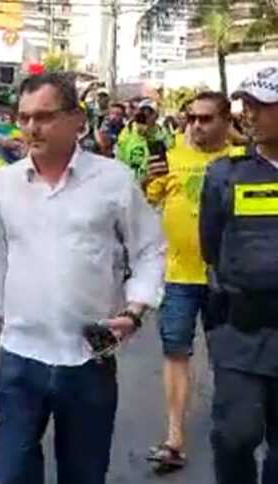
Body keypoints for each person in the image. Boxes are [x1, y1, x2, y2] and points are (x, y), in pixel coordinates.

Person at [0, 72, 166, 484]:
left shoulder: (112, 180)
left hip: (88, 360)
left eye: (43, 116)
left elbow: (150, 250)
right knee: (12, 473)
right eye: (24, 117)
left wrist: (133, 312)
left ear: (77, 119)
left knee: (83, 474)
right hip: (20, 358)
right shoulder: (4, 184)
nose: (30, 128)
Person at [143, 91, 244, 472]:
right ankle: (175, 438)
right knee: (175, 353)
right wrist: (148, 179)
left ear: (225, 122)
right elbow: (147, 200)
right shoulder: (171, 158)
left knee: (228, 356)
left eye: (205, 119)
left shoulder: (241, 162)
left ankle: (234, 430)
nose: (196, 126)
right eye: (191, 119)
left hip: (226, 279)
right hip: (178, 276)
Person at [200, 67, 278, 484]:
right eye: (244, 105)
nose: (246, 114)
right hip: (241, 332)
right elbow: (210, 245)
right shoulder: (225, 174)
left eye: (259, 106)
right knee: (235, 435)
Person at [118, 99, 172, 182]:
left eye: (150, 113)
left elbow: (170, 155)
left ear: (156, 116)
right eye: (143, 112)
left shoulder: (163, 134)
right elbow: (120, 157)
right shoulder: (128, 131)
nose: (146, 116)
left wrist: (149, 136)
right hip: (131, 181)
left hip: (155, 181)